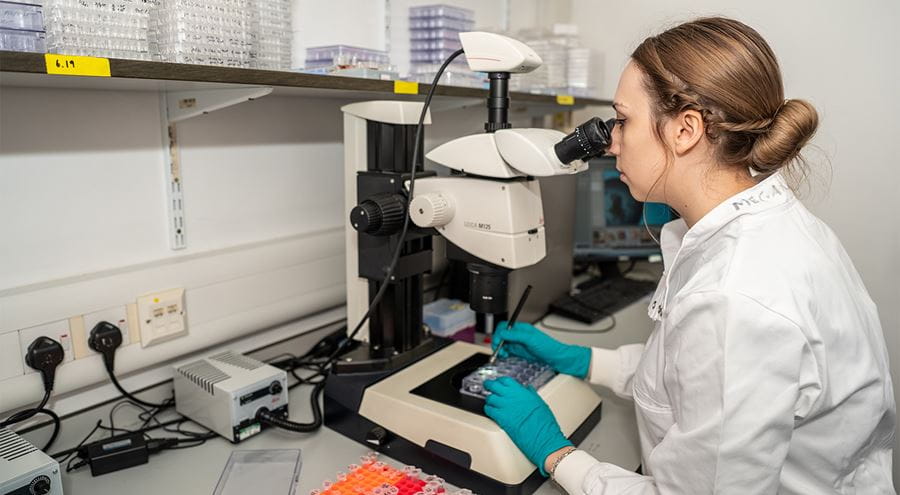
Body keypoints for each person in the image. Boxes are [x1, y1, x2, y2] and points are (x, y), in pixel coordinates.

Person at [483, 17, 896, 494]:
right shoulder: (760, 228)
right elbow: (694, 380)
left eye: (623, 120)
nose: (611, 140)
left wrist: (557, 455)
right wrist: (583, 360)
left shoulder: (735, 296)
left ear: (685, 130)